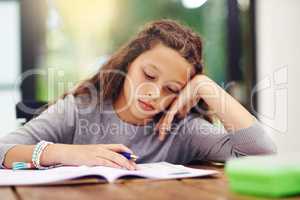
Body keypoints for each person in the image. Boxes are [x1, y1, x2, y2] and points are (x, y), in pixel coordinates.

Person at [0, 19, 276, 170]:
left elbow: (261, 153)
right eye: (149, 75)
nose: (153, 93)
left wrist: (205, 86)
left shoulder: (182, 130)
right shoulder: (80, 109)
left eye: (172, 89)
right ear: (128, 63)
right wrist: (72, 153)